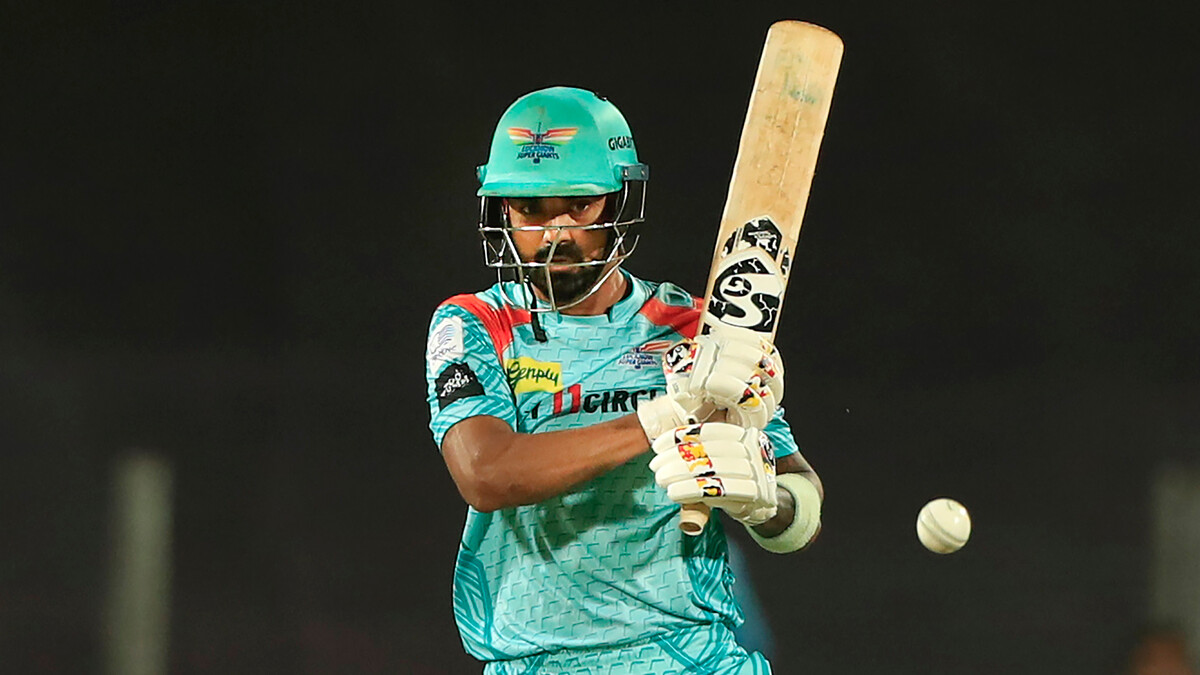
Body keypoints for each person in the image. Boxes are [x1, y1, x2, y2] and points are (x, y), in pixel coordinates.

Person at [424, 86, 823, 675]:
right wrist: (662, 418)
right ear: (502, 211)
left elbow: (799, 505)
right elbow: (485, 472)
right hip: (538, 660)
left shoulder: (700, 330)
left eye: (580, 206)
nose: (555, 234)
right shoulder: (473, 324)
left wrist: (764, 504)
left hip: (692, 655)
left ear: (618, 201)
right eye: (530, 210)